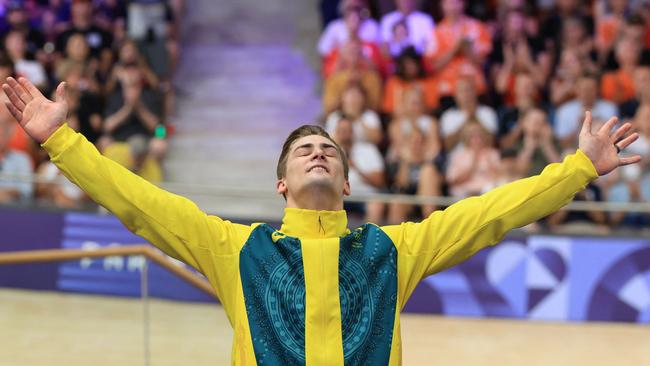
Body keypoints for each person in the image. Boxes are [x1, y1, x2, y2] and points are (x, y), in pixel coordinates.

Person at [2, 76, 641, 365]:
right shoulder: (235, 247)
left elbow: (490, 215)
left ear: (346, 179)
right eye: (304, 149)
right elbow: (140, 204)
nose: (318, 151)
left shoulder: (396, 249)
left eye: (328, 149)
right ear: (281, 183)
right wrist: (63, 144)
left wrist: (578, 168)